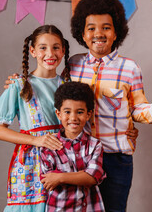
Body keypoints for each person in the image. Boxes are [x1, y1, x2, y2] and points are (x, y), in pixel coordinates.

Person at [68, 0, 152, 211]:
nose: (99, 33)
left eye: (106, 27)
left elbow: (136, 109)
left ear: (117, 31)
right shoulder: (72, 65)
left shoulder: (130, 68)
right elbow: (56, 96)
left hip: (116, 159)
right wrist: (20, 81)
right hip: (77, 156)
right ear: (82, 32)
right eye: (91, 28)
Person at [0, 25, 71, 212]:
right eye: (43, 47)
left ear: (63, 51)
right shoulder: (19, 85)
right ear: (32, 51)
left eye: (56, 47)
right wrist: (36, 140)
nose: (50, 53)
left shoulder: (68, 86)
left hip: (63, 159)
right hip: (31, 163)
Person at [40, 81, 106, 212]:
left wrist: (60, 177)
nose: (73, 117)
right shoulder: (49, 145)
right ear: (58, 114)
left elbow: (91, 178)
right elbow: (48, 180)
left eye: (80, 112)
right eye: (67, 112)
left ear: (88, 114)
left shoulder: (94, 145)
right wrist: (80, 176)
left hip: (90, 208)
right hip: (59, 208)